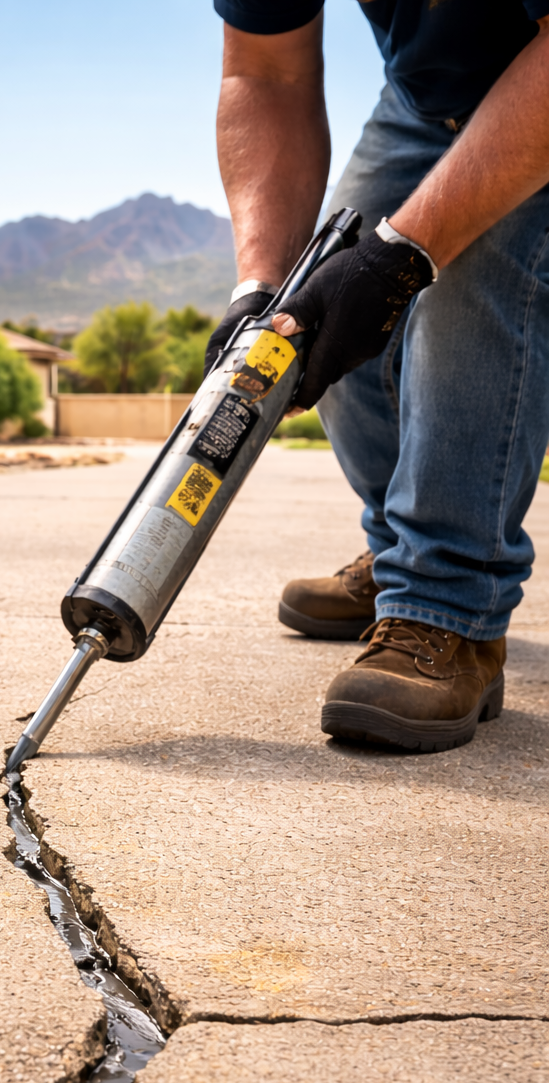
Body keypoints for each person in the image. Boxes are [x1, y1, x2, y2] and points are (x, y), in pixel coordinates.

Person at [206, 1, 549, 752]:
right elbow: (264, 69)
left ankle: (450, 605)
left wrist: (408, 252)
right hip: (426, 98)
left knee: (466, 278)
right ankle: (404, 550)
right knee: (325, 291)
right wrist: (260, 287)